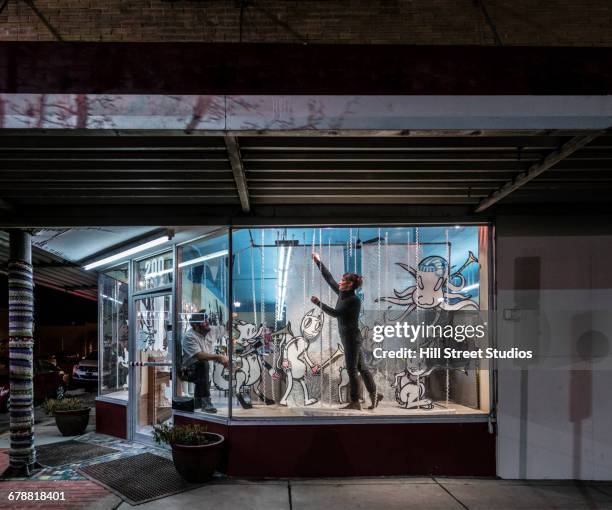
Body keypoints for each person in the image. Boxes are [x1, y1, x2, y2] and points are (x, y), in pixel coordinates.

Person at [310, 252, 383, 411]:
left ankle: (355, 401)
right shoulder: (343, 294)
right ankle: (375, 393)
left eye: (344, 280)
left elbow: (336, 314)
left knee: (351, 370)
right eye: (342, 280)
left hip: (352, 339)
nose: (340, 282)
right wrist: (318, 262)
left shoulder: (353, 300)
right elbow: (329, 278)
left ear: (350, 285)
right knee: (362, 368)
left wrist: (318, 303)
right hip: (350, 338)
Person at [182, 310, 229, 413]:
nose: (207, 322)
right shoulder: (189, 336)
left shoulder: (210, 330)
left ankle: (198, 402)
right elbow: (199, 355)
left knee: (205, 369)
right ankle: (206, 402)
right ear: (195, 326)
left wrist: (231, 319)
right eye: (204, 321)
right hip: (187, 371)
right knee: (202, 364)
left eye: (207, 319)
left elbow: (226, 328)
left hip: (203, 369)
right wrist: (219, 357)